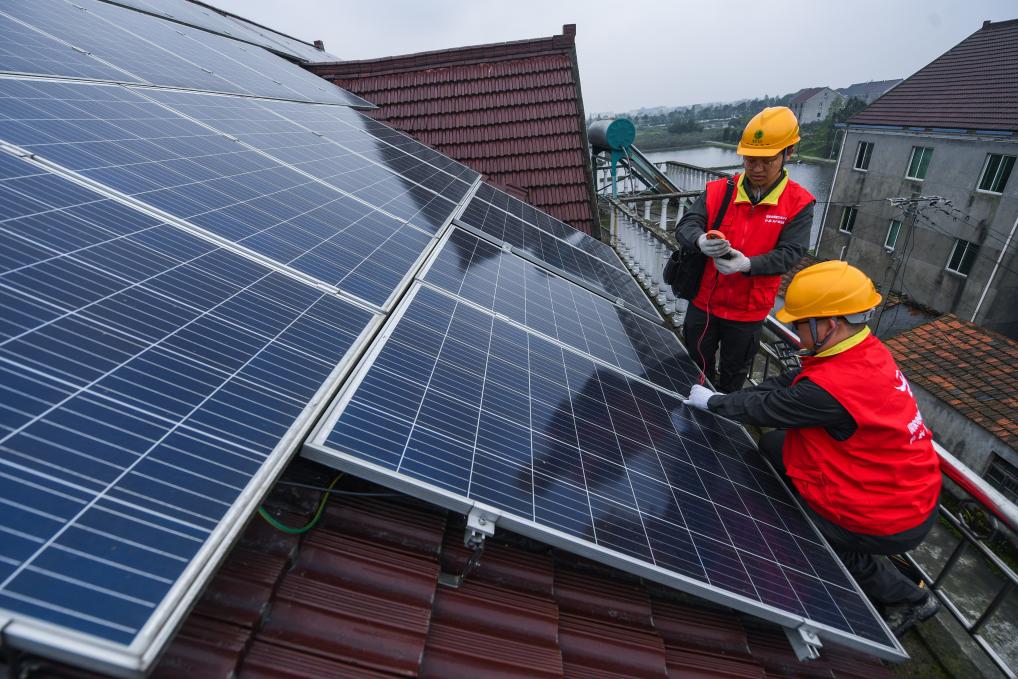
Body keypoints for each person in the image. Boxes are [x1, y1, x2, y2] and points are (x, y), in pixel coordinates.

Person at [682, 261, 942, 636]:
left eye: (800, 323)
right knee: (774, 445)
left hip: (891, 512)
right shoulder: (861, 349)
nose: (794, 330)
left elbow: (768, 407)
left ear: (829, 325)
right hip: (901, 485)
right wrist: (731, 395)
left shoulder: (834, 388)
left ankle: (909, 599)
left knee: (798, 523)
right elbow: (790, 382)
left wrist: (715, 403)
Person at [675, 106, 814, 393]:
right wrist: (701, 241)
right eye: (750, 160)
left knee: (733, 377)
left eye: (767, 160)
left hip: (748, 312)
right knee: (692, 367)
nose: (757, 169)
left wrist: (748, 264)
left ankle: (720, 427)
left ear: (789, 152)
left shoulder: (799, 203)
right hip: (705, 304)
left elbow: (791, 252)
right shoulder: (719, 190)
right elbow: (687, 225)